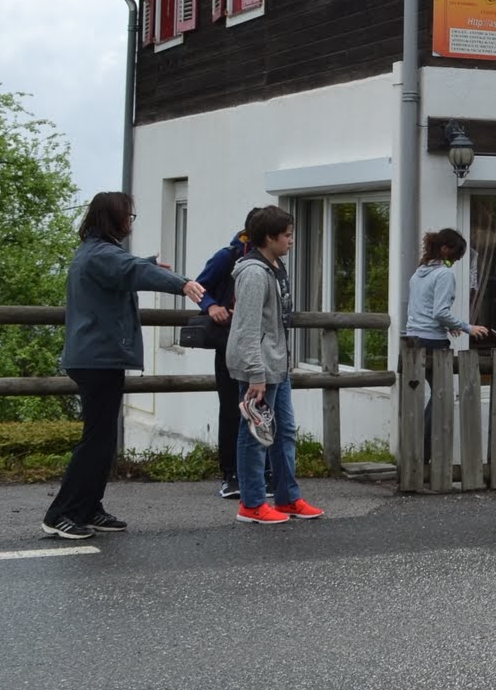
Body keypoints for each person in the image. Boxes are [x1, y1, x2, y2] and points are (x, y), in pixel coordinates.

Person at [42, 191, 205, 540]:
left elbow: (127, 268)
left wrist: (149, 263)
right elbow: (131, 269)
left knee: (102, 439)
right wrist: (183, 284)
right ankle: (61, 514)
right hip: (97, 358)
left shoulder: (95, 251)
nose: (130, 222)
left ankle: (88, 508)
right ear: (113, 218)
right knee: (96, 440)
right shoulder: (103, 254)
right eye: (128, 216)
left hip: (96, 357)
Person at [224, 205, 323, 525]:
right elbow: (247, 328)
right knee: (256, 434)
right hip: (260, 367)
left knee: (284, 432)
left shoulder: (275, 266)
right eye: (287, 235)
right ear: (269, 237)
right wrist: (256, 373)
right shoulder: (254, 273)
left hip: (276, 364)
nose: (291, 240)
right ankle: (252, 503)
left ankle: (287, 497)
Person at [402, 228, 496, 465]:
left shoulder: (419, 273)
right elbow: (439, 312)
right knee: (442, 395)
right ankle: (423, 453)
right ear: (445, 249)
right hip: (433, 342)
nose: (456, 260)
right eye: (456, 255)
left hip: (414, 339)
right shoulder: (444, 274)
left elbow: (423, 310)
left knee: (431, 394)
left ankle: (416, 450)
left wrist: (448, 325)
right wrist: (467, 327)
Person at [192, 207, 262, 500]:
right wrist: (211, 306)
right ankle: (230, 474)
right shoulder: (228, 256)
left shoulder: (270, 260)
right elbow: (198, 286)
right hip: (228, 342)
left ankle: (260, 472)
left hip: (259, 344)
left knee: (259, 408)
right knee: (232, 408)